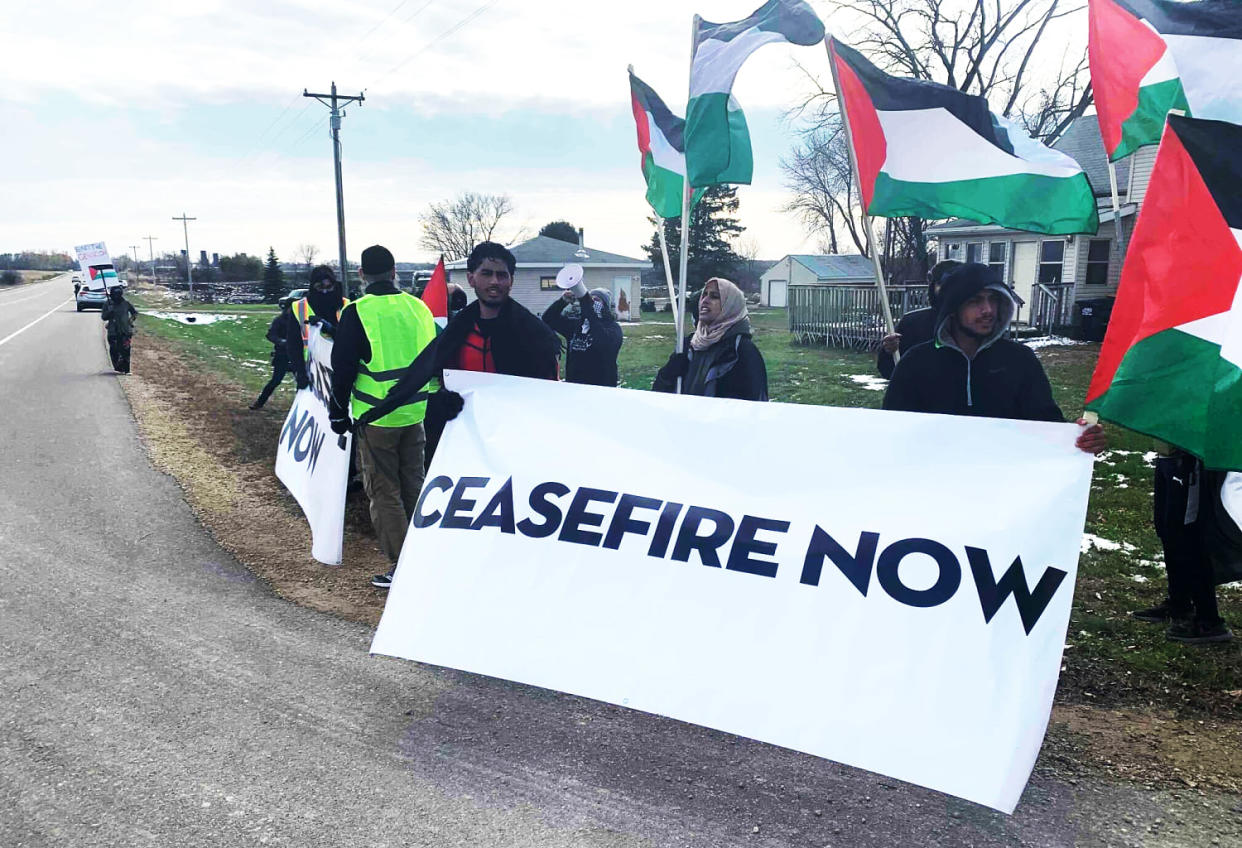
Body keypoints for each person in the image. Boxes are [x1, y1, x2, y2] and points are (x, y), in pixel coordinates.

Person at [883, 262, 1106, 454]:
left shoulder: (1019, 360)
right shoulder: (916, 362)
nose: (988, 310)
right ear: (953, 307)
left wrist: (1079, 438)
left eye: (993, 300)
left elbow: (1046, 424)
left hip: (1002, 489)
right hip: (932, 485)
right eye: (975, 301)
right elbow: (892, 430)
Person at [329, 245, 442, 591]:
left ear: (362, 275)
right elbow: (434, 358)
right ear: (394, 272)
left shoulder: (357, 312)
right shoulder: (419, 307)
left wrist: (337, 414)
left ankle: (402, 565)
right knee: (414, 485)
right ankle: (426, 555)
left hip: (375, 418)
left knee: (383, 491)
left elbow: (343, 369)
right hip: (416, 412)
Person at [1131, 450, 1234, 644]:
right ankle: (1179, 603)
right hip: (1167, 455)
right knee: (1167, 529)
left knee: (1187, 534)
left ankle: (1209, 619)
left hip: (1189, 459)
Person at [653, 277, 768, 401]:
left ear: (730, 305)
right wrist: (668, 375)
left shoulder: (741, 350)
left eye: (714, 296)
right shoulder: (689, 344)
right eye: (705, 295)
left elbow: (756, 405)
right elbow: (658, 395)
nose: (706, 300)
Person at [877, 259, 961, 379]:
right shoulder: (912, 323)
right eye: (943, 283)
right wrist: (889, 351)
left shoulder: (975, 323)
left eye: (956, 283)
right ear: (933, 286)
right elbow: (889, 370)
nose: (950, 289)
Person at [542, 286, 624, 387]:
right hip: (574, 386)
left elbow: (602, 340)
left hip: (601, 388)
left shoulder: (613, 328)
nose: (591, 303)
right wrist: (562, 302)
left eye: (596, 300)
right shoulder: (576, 325)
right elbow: (548, 319)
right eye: (590, 299)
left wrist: (589, 311)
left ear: (605, 306)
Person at [286, 265, 348, 390]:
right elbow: (293, 344)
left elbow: (351, 340)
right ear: (313, 287)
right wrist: (299, 372)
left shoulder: (346, 305)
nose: (325, 292)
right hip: (312, 372)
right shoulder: (299, 308)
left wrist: (330, 329)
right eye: (320, 287)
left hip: (341, 369)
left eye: (329, 287)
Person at [249, 300, 294, 410]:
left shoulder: (300, 320)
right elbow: (270, 335)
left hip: (298, 355)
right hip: (282, 354)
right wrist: (281, 342)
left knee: (302, 382)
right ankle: (260, 402)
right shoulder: (279, 320)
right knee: (276, 380)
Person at [100, 286, 138, 373]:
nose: (116, 297)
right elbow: (104, 317)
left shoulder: (126, 303)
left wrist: (130, 321)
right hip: (113, 332)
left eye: (118, 294)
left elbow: (134, 313)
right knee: (114, 350)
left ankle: (127, 370)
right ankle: (118, 366)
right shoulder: (108, 304)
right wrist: (110, 311)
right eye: (114, 295)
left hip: (125, 331)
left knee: (126, 350)